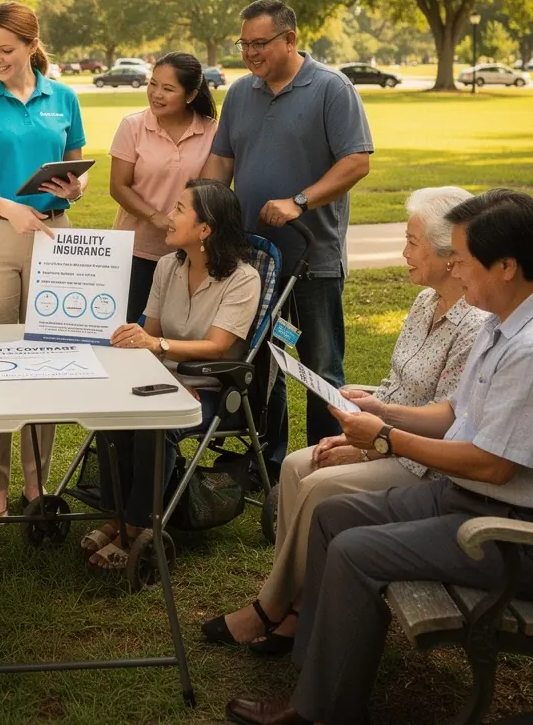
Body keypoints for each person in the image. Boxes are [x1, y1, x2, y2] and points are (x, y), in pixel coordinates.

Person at [225, 188, 533, 725]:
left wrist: (384, 438)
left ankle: (322, 710)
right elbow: (450, 412)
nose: (455, 270)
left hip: (501, 529)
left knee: (355, 550)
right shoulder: (499, 324)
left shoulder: (526, 349)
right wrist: (383, 415)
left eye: (462, 260)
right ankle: (316, 676)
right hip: (465, 498)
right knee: (332, 517)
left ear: (506, 266)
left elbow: (492, 465)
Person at [203, 186, 487, 654]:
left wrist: (370, 442)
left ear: (449, 255)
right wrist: (371, 399)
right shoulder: (422, 304)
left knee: (318, 484)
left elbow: (450, 421)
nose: (404, 251)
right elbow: (402, 384)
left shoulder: (474, 325)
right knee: (296, 465)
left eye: (413, 242)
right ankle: (295, 606)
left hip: (425, 461)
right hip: (389, 434)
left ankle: (273, 609)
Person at [202, 0, 374, 475]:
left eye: (260, 43)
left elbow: (356, 161)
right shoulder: (240, 93)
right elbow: (221, 163)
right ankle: (270, 463)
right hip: (255, 259)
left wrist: (299, 201)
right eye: (245, 43)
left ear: (290, 39)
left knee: (321, 367)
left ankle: (324, 467)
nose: (250, 53)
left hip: (312, 258)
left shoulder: (331, 89)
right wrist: (203, 206)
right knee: (262, 360)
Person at [0, 0, 86, 518]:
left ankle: (36, 485)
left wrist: (76, 188)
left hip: (55, 238)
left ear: (32, 45)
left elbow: (77, 170)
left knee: (47, 362)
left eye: (6, 49)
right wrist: (13, 211)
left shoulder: (64, 97)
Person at [84, 179, 262, 569]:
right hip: (164, 379)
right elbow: (152, 329)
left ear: (205, 230)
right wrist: (140, 342)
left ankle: (135, 525)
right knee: (112, 416)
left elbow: (217, 346)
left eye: (180, 209)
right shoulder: (167, 266)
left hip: (212, 387)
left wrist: (157, 348)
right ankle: (115, 515)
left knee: (153, 426)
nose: (169, 217)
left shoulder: (243, 279)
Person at [110, 52, 218, 323]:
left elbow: (209, 193)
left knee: (175, 330)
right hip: (135, 251)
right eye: (153, 84)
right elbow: (118, 187)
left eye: (168, 89)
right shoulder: (132, 126)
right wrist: (156, 217)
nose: (156, 94)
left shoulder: (212, 131)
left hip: (188, 255)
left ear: (191, 95)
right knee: (130, 329)